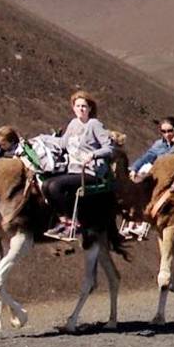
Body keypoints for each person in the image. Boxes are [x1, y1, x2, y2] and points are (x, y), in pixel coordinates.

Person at [43, 91, 115, 240]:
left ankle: (73, 223)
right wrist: (43, 140)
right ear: (73, 108)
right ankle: (63, 220)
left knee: (55, 186)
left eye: (84, 106)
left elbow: (109, 148)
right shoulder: (73, 123)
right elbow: (63, 143)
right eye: (78, 106)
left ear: (90, 109)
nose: (81, 109)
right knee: (45, 185)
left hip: (89, 171)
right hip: (72, 169)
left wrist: (93, 155)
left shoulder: (94, 124)